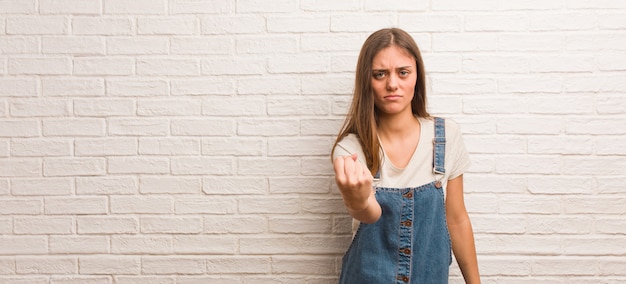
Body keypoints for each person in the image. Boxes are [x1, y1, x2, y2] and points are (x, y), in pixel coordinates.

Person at [331, 28, 480, 283]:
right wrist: (357, 201)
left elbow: (456, 219)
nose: (392, 84)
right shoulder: (351, 149)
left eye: (403, 72)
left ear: (416, 76)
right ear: (366, 80)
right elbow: (370, 214)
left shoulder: (445, 138)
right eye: (380, 74)